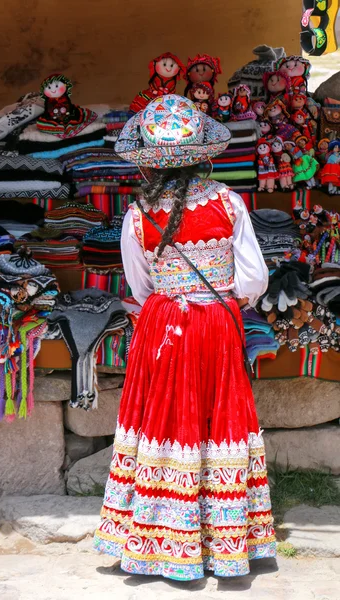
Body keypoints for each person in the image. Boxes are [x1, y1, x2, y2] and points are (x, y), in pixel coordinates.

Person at [94, 95, 276, 581]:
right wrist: (223, 300)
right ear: (200, 153)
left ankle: (158, 541)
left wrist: (174, 295)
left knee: (167, 420)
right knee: (219, 422)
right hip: (217, 321)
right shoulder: (230, 203)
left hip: (163, 325)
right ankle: (227, 543)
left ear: (149, 161)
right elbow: (254, 279)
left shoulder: (136, 216)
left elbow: (138, 286)